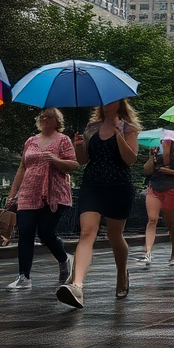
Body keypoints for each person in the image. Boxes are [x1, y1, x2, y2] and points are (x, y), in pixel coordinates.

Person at [58, 99, 141, 308]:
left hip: (119, 185)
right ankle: (77, 285)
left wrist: (119, 134)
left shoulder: (129, 128)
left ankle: (122, 273)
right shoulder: (91, 128)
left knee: (114, 235)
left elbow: (130, 159)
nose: (105, 103)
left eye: (110, 99)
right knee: (87, 232)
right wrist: (78, 146)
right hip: (92, 184)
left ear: (120, 103)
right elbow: (82, 160)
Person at [3, 108, 77, 291]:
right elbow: (22, 168)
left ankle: (64, 258)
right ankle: (24, 276)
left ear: (56, 121)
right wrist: (12, 194)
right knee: (26, 232)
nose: (44, 119)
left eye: (49, 117)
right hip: (28, 193)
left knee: (45, 233)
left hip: (54, 193)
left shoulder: (63, 140)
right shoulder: (31, 141)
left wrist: (56, 160)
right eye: (41, 117)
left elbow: (73, 165)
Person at [141, 142, 174, 267]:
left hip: (171, 189)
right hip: (154, 189)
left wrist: (166, 170)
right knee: (152, 219)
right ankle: (147, 252)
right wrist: (151, 157)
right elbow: (147, 170)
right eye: (162, 140)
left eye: (166, 141)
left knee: (170, 222)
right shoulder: (155, 154)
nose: (163, 143)